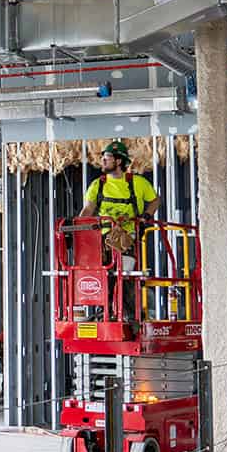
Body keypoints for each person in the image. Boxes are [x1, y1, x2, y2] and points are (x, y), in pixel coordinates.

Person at [78, 139, 159, 326]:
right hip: (103, 239)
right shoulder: (97, 185)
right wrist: (78, 228)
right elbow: (88, 210)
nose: (103, 162)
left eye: (106, 158)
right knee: (102, 275)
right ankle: (104, 312)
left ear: (119, 161)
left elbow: (155, 201)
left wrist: (147, 215)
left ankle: (128, 314)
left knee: (125, 275)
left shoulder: (137, 183)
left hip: (127, 238)